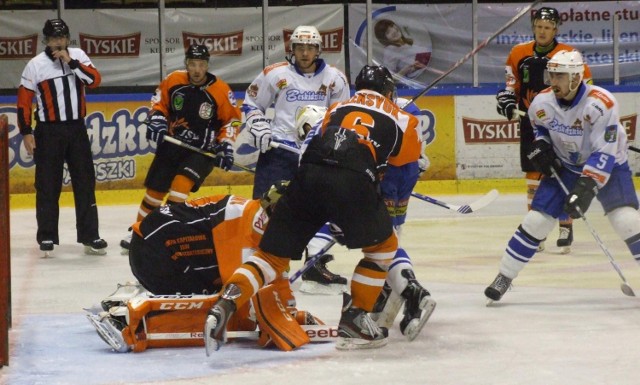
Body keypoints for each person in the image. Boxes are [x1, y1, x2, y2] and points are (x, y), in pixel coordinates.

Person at [204, 65, 420, 353]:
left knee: (270, 257)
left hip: (307, 175)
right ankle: (356, 317)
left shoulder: (338, 106)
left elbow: (315, 141)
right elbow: (401, 162)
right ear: (389, 92)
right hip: (353, 180)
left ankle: (226, 302)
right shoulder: (403, 118)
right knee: (383, 248)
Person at [88, 184, 326, 353]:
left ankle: (127, 299)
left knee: (230, 301)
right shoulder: (243, 229)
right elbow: (245, 297)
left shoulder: (254, 217)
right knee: (226, 314)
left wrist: (292, 312)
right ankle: (126, 322)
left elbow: (274, 276)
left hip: (154, 248)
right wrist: (284, 317)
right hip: (156, 253)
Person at [485, 50, 640, 304]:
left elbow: (605, 152)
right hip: (566, 166)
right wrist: (542, 147)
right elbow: (540, 129)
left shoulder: (601, 104)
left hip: (609, 166)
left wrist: (586, 188)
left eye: (560, 76)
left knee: (627, 220)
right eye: (552, 75)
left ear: (577, 78)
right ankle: (504, 276)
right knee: (536, 221)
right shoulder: (541, 103)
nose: (553, 81)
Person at [241, 25, 350, 293]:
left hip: (316, 155)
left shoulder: (335, 79)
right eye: (300, 47)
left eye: (310, 47)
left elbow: (343, 117)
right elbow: (251, 103)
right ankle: (263, 266)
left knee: (320, 209)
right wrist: (259, 127)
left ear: (318, 49)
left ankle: (315, 264)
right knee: (266, 209)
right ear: (292, 49)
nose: (304, 52)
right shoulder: (275, 74)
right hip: (279, 151)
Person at [120, 44, 240, 251]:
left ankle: (164, 235)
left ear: (207, 65)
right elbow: (159, 104)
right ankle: (140, 232)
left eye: (201, 64)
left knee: (178, 192)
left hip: (202, 151)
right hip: (172, 146)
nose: (196, 69)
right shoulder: (174, 80)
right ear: (186, 63)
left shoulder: (221, 90)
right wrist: (157, 120)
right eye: (192, 64)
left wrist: (226, 146)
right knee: (153, 194)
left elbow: (232, 121)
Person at [496, 7, 593, 254]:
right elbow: (511, 85)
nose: (542, 31)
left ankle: (565, 225)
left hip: (564, 124)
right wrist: (506, 99)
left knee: (563, 174)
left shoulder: (570, 55)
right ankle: (535, 231)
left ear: (556, 29)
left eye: (547, 27)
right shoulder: (518, 53)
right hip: (532, 123)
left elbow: (587, 88)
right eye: (539, 26)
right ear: (533, 27)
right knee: (533, 176)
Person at [16, 18, 107, 257]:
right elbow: (24, 102)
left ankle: (90, 236)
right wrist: (26, 131)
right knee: (47, 186)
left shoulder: (78, 55)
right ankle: (46, 236)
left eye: (63, 37)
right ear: (46, 40)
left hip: (76, 129)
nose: (59, 42)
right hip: (48, 132)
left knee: (85, 183)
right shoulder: (35, 65)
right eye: (54, 38)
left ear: (68, 38)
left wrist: (72, 62)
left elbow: (95, 80)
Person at [370, 97, 436, 341]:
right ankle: (388, 291)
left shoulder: (370, 105)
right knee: (392, 235)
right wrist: (419, 158)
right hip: (406, 174)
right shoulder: (409, 105)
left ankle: (412, 293)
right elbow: (418, 145)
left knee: (382, 242)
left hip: (386, 175)